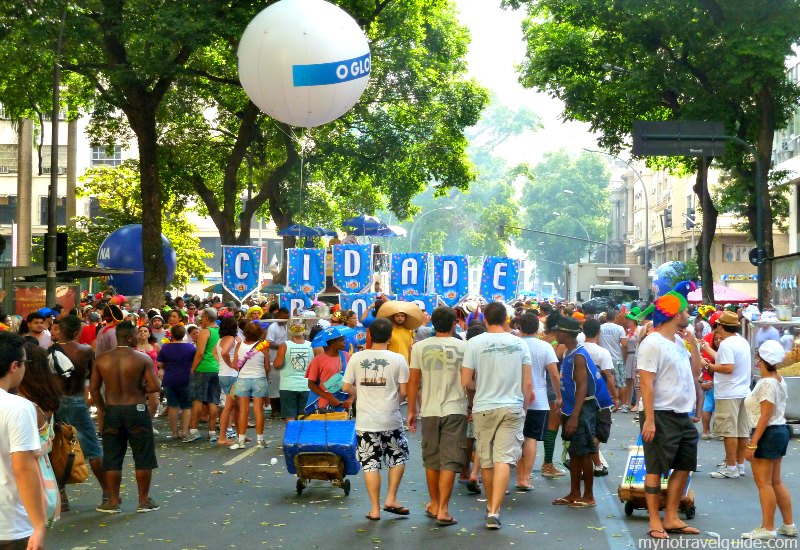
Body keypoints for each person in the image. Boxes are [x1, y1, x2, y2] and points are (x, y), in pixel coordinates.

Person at [638, 289, 703, 539]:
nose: (688, 314)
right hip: (661, 414)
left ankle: (671, 517)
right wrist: (650, 420)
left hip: (681, 414)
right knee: (655, 468)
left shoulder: (677, 342)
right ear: (676, 314)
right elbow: (646, 383)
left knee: (684, 465)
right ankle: (655, 521)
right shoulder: (652, 343)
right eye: (686, 311)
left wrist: (695, 345)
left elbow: (696, 372)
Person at [461, 302, 532, 530]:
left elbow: (465, 382)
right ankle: (494, 511)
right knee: (504, 459)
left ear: (484, 320)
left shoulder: (473, 343)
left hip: (483, 407)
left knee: (487, 460)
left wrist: (481, 386)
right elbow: (527, 383)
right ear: (505, 320)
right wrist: (524, 406)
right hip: (512, 406)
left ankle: (491, 505)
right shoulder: (519, 344)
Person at [342, 317, 410, 521]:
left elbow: (346, 387)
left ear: (369, 335)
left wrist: (361, 393)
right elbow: (404, 392)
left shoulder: (356, 358)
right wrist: (394, 401)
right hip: (391, 418)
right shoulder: (398, 359)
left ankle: (375, 509)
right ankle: (391, 498)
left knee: (370, 464)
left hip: (366, 421)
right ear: (390, 336)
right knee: (397, 457)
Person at [91, 321, 161, 513]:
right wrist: (138, 389)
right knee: (143, 456)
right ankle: (143, 501)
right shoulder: (142, 358)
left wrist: (102, 409)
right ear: (130, 337)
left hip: (112, 409)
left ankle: (113, 501)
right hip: (136, 409)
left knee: (112, 457)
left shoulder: (102, 359)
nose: (139, 337)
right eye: (137, 334)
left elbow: (94, 389)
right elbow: (155, 386)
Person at [407, 306, 467, 526]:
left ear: (433, 324)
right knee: (450, 460)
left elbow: (414, 381)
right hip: (456, 408)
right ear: (454, 324)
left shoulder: (419, 347)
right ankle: (443, 509)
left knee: (431, 459)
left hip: (429, 410)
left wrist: (412, 409)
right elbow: (469, 380)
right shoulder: (464, 347)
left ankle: (433, 503)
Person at [741, 340, 796, 540]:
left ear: (761, 360)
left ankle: (768, 527)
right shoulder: (779, 379)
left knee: (764, 483)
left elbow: (765, 415)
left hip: (768, 432)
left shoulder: (766, 383)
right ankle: (788, 524)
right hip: (779, 430)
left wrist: (752, 442)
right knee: (775, 481)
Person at [52, 315, 108, 511]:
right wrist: (94, 400)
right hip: (77, 401)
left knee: (57, 448)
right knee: (92, 449)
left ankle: (62, 497)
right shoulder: (85, 351)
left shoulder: (48, 353)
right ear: (77, 333)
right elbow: (94, 379)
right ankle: (107, 493)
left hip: (56, 403)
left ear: (60, 330)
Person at [0, 332, 47, 549]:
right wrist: (38, 524)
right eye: (25, 362)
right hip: (10, 522)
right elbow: (23, 469)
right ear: (14, 366)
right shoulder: (18, 407)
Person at [551, 315, 600, 508]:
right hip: (572, 408)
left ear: (565, 333)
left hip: (582, 409)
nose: (555, 335)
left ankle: (588, 495)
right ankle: (574, 492)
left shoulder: (578, 355)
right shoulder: (569, 353)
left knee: (584, 452)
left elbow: (582, 386)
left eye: (557, 331)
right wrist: (562, 401)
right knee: (574, 451)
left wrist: (575, 416)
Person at [516, 311, 559, 490]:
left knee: (516, 438)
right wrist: (559, 396)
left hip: (515, 397)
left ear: (520, 327)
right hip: (539, 399)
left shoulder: (515, 345)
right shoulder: (545, 347)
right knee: (531, 438)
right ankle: (526, 477)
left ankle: (519, 476)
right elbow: (554, 375)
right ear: (537, 328)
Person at [709, 310, 753, 479]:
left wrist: (709, 367)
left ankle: (731, 467)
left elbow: (727, 367)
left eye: (718, 325)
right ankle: (739, 465)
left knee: (729, 431)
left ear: (722, 326)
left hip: (728, 392)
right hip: (743, 390)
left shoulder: (727, 344)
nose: (717, 328)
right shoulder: (742, 342)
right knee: (742, 431)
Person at [184, 308, 221, 443]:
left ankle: (194, 430)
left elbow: (200, 353)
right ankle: (212, 432)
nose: (200, 321)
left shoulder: (206, 332)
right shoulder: (220, 331)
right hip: (216, 368)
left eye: (202, 318)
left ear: (206, 318)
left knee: (197, 399)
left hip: (203, 368)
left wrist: (193, 368)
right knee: (213, 400)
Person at [231, 322, 269, 450]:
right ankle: (260, 440)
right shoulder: (263, 346)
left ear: (245, 333)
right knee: (258, 410)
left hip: (243, 379)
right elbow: (267, 367)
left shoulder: (239, 345)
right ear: (259, 333)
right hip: (259, 378)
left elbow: (235, 365)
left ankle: (241, 440)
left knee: (243, 410)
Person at [156, 324, 195, 440]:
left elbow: (160, 364)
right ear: (184, 334)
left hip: (170, 378)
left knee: (172, 406)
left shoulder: (166, 347)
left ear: (171, 334)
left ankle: (174, 432)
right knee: (187, 406)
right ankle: (184, 431)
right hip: (186, 378)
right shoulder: (191, 347)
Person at [273, 323, 313, 421]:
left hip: (288, 385)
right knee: (305, 416)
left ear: (290, 333)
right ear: (303, 332)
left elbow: (277, 365)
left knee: (289, 415)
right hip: (306, 385)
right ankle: (303, 436)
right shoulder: (311, 345)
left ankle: (291, 436)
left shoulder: (285, 345)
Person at [214, 316, 240, 446]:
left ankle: (238, 435)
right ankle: (222, 437)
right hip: (231, 375)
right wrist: (231, 364)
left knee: (233, 406)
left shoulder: (220, 340)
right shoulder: (230, 338)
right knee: (229, 406)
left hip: (223, 374)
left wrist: (222, 364)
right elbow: (224, 353)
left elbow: (215, 352)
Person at [599, 308, 627, 410]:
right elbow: (624, 344)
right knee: (621, 382)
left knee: (606, 381)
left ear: (606, 318)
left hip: (603, 359)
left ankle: (608, 403)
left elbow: (597, 341)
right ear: (615, 317)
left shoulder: (600, 328)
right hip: (617, 358)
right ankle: (623, 405)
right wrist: (624, 356)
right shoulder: (619, 329)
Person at [265, 308, 289, 417]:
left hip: (286, 359)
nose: (285, 320)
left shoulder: (289, 326)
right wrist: (282, 347)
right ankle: (275, 410)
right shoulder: (272, 327)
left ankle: (283, 408)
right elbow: (268, 343)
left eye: (286, 318)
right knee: (274, 385)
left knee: (284, 384)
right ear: (278, 315)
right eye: (283, 318)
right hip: (273, 359)